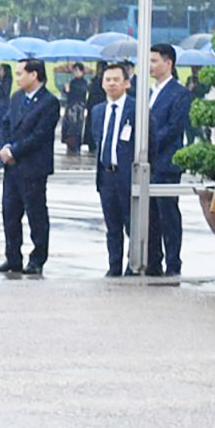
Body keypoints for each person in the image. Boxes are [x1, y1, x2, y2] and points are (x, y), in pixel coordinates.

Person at [0, 58, 58, 277]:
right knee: (10, 213)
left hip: (33, 168)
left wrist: (15, 151)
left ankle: (37, 259)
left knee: (36, 215)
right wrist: (5, 147)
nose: (17, 78)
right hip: (12, 168)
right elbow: (6, 124)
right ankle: (12, 258)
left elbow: (40, 135)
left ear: (34, 75)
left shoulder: (49, 102)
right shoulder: (16, 98)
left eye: (21, 73)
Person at [144, 44, 190, 277]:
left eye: (153, 61)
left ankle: (173, 262)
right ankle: (153, 262)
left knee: (168, 214)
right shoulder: (146, 91)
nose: (150, 65)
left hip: (165, 163)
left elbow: (173, 128)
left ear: (168, 63)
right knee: (148, 215)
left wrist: (147, 145)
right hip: (146, 166)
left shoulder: (179, 93)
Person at [89, 61, 139, 277]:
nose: (111, 84)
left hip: (126, 175)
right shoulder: (98, 111)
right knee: (112, 226)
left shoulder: (135, 109)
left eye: (116, 80)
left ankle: (133, 265)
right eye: (107, 80)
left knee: (132, 224)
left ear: (126, 83)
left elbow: (149, 142)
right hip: (106, 176)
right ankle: (114, 265)